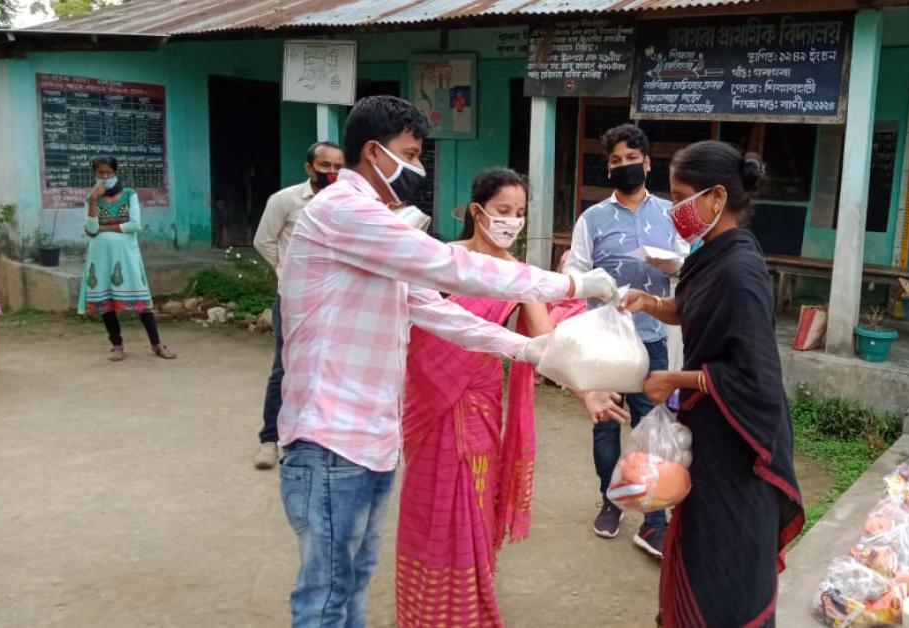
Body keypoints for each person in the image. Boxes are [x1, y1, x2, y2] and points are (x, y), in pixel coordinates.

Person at [275, 95, 619, 627]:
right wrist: (571, 281)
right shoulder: (347, 212)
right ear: (373, 151)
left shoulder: (375, 233)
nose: (418, 168)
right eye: (411, 154)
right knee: (327, 597)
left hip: (371, 438)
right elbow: (450, 270)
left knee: (351, 585)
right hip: (330, 439)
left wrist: (523, 348)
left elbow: (431, 310)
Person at [395, 168, 628, 627]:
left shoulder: (520, 278)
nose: (512, 221)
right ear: (477, 210)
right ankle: (421, 607)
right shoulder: (441, 261)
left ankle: (464, 607)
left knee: (469, 504)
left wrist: (587, 392)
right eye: (503, 211)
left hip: (477, 406)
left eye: (520, 213)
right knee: (426, 504)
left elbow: (548, 345)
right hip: (424, 402)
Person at [621, 140, 803, 627]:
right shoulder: (710, 253)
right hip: (709, 422)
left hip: (738, 443)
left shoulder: (741, 269)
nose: (675, 208)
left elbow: (754, 374)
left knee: (724, 555)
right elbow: (696, 309)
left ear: (716, 198)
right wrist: (650, 302)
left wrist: (674, 379)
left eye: (681, 196)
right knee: (697, 537)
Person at [565, 123, 688, 557]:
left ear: (648, 163)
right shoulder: (592, 218)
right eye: (615, 161)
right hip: (605, 339)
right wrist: (594, 288)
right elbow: (576, 274)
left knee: (651, 426)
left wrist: (672, 267)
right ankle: (612, 500)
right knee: (606, 425)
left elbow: (686, 266)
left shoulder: (672, 215)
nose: (624, 167)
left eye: (631, 160)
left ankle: (654, 519)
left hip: (652, 335)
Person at [251, 140, 344, 470]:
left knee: (329, 367)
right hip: (294, 301)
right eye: (325, 166)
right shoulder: (286, 200)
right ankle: (269, 439)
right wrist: (288, 270)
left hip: (334, 299)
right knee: (286, 367)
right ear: (309, 167)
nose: (332, 172)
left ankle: (315, 438)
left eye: (337, 166)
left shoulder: (347, 201)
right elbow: (263, 241)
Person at [79, 156, 174, 361]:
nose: (105, 177)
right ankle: (117, 344)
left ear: (116, 172)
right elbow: (90, 229)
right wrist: (94, 200)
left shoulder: (129, 194)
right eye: (100, 173)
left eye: (109, 173)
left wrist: (105, 227)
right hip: (101, 258)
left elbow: (135, 224)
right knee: (106, 303)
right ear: (94, 174)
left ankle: (156, 344)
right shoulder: (90, 199)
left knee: (140, 302)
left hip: (126, 256)